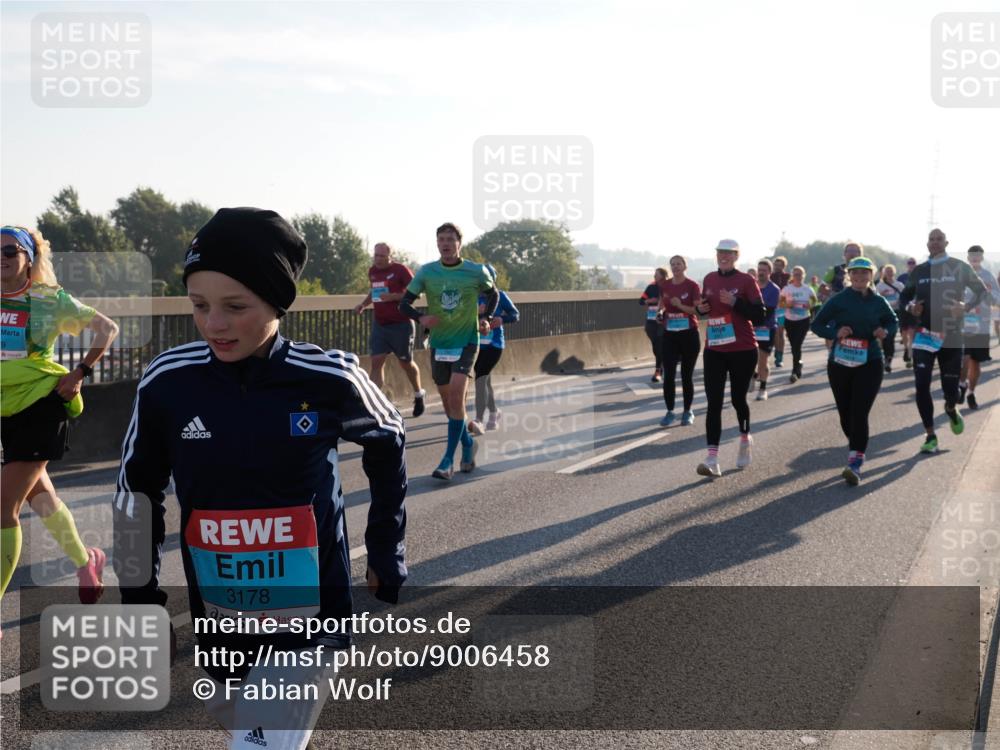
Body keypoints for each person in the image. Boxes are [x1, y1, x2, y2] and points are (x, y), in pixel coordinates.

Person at [113, 208, 407, 750]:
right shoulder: (167, 383)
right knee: (243, 728)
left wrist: (386, 549)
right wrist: (139, 595)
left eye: (235, 307)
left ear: (276, 301)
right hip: (220, 624)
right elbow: (136, 491)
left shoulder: (330, 378)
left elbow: (388, 439)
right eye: (199, 306)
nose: (213, 324)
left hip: (311, 623)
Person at [1, 225, 119, 614]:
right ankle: (88, 562)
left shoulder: (48, 300)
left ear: (29, 259)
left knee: (4, 508)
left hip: (41, 406)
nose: (1, 259)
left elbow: (107, 328)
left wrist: (80, 373)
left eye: (10, 252)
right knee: (42, 498)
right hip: (4, 407)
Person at [399, 223, 497, 480]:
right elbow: (404, 303)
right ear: (437, 243)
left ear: (459, 243)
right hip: (440, 344)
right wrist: (421, 319)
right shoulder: (427, 272)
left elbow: (493, 293)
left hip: (467, 341)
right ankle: (467, 444)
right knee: (450, 406)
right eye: (441, 239)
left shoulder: (475, 271)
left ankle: (446, 462)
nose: (445, 243)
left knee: (456, 396)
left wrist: (486, 316)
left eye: (450, 239)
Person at [898, 228, 986, 453]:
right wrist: (911, 307)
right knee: (921, 385)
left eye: (939, 239)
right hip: (924, 335)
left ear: (946, 242)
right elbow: (904, 297)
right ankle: (930, 436)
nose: (935, 242)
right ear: (927, 244)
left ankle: (950, 408)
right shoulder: (919, 271)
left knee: (952, 392)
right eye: (931, 239)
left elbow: (981, 291)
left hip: (952, 335)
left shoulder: (958, 267)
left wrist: (964, 307)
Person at [811, 257, 898, 484]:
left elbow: (892, 321)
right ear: (849, 275)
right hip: (840, 363)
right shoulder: (839, 300)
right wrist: (835, 332)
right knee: (845, 413)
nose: (860, 277)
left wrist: (884, 331)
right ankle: (857, 446)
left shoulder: (878, 301)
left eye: (865, 273)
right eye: (855, 273)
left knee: (859, 412)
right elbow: (817, 324)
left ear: (871, 275)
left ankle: (855, 461)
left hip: (870, 361)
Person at [694, 239, 766, 477]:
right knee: (713, 402)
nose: (723, 256)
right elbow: (705, 309)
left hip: (743, 349)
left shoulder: (746, 280)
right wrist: (701, 310)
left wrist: (736, 302)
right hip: (715, 348)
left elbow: (759, 315)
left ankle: (745, 438)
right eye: (720, 253)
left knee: (737, 399)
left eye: (728, 253)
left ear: (736, 256)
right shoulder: (709, 279)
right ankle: (712, 458)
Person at [354, 242, 426, 417]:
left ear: (389, 256)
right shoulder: (372, 271)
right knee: (376, 362)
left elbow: (418, 293)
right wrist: (363, 305)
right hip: (381, 324)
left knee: (405, 363)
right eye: (375, 255)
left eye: (381, 256)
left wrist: (393, 296)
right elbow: (374, 292)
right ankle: (371, 404)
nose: (377, 259)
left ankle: (418, 394)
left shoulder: (401, 270)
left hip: (401, 324)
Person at [467, 265, 519, 434]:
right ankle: (495, 412)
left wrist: (500, 318)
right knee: (484, 379)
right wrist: (476, 312)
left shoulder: (499, 295)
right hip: (476, 344)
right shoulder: (471, 296)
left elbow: (515, 314)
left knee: (481, 376)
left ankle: (479, 419)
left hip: (494, 345)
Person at [656, 255, 701, 426]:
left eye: (678, 264)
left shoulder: (692, 285)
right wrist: (660, 314)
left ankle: (688, 411)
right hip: (670, 334)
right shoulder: (665, 285)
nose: (675, 267)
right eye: (672, 264)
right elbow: (662, 306)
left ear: (684, 266)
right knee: (668, 375)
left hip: (688, 333)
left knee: (686, 375)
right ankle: (669, 411)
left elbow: (697, 311)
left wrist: (680, 305)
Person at [959, 245, 1000, 410]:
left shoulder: (988, 276)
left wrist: (988, 293)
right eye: (972, 256)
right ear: (968, 258)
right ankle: (961, 384)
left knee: (976, 364)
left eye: (978, 256)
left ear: (981, 258)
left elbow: (997, 299)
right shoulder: (960, 275)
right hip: (962, 325)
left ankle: (970, 392)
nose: (975, 258)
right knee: (964, 358)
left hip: (981, 326)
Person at [778, 265, 818, 383]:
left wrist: (809, 305)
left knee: (797, 344)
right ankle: (798, 364)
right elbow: (780, 303)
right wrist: (787, 305)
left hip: (803, 320)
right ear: (792, 276)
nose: (798, 276)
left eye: (800, 274)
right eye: (796, 274)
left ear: (803, 276)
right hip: (790, 320)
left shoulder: (807, 289)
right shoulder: (787, 289)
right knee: (793, 345)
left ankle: (795, 370)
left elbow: (814, 300)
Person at [753, 259, 781, 401]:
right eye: (759, 270)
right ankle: (753, 375)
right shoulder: (752, 287)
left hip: (766, 328)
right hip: (750, 329)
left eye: (764, 270)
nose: (761, 272)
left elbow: (768, 311)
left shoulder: (774, 289)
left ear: (769, 272)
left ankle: (763, 389)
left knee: (763, 360)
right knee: (750, 358)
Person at [875, 263, 905, 373]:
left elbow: (906, 296)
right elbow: (875, 299)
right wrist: (881, 294)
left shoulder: (899, 285)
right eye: (887, 271)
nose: (889, 273)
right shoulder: (880, 286)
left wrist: (900, 301)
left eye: (891, 271)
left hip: (896, 311)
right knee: (883, 338)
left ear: (894, 272)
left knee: (890, 337)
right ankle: (885, 356)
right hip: (884, 313)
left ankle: (888, 360)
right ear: (884, 273)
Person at [640, 268, 667, 382]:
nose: (654, 276)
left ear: (663, 276)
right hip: (650, 321)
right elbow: (641, 301)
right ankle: (661, 365)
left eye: (656, 274)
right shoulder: (651, 286)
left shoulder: (669, 286)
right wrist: (649, 301)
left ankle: (658, 370)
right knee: (656, 346)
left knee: (660, 344)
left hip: (662, 320)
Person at [897, 257, 919, 368]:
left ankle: (911, 356)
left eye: (913, 263)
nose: (911, 264)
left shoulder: (920, 276)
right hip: (903, 308)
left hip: (914, 308)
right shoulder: (902, 277)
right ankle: (906, 348)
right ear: (907, 265)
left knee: (912, 333)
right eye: (909, 263)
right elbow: (898, 291)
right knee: (904, 333)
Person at [770, 256, 790, 368]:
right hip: (772, 307)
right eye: (775, 265)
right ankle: (775, 351)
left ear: (784, 266)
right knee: (774, 334)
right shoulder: (770, 276)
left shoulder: (788, 277)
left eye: (779, 265)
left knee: (780, 332)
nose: (777, 267)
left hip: (783, 307)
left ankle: (779, 357)